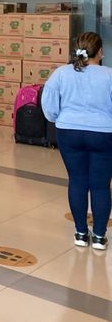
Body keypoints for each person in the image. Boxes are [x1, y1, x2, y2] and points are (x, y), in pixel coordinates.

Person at [42, 32, 112, 250]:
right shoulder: (109, 75)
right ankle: (99, 237)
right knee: (100, 185)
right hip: (103, 134)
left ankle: (81, 234)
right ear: (100, 52)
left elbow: (49, 106)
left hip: (68, 132)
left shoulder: (61, 73)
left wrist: (60, 119)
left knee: (77, 181)